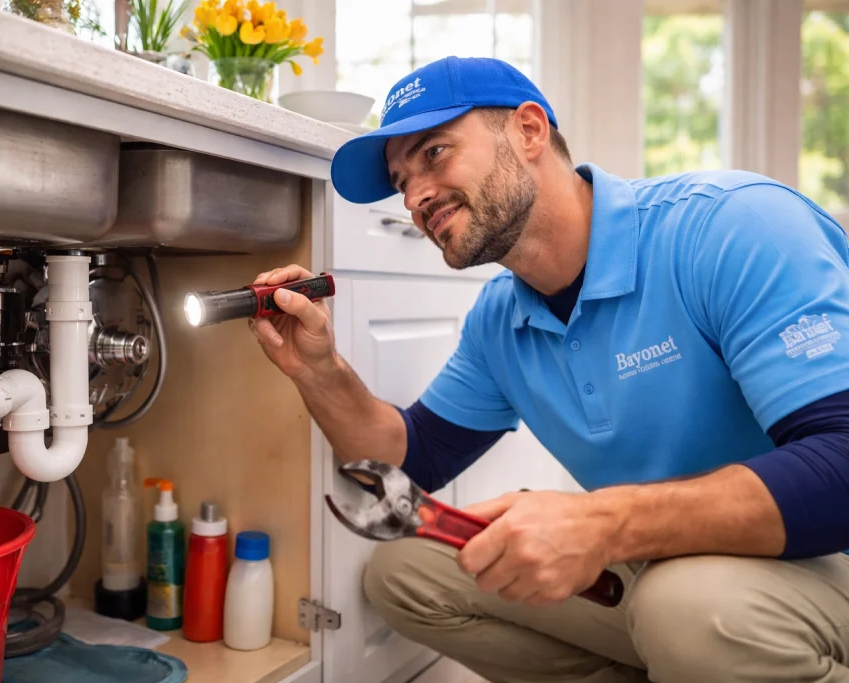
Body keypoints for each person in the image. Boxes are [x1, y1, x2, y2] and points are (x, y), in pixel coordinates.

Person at [248, 56, 849, 683]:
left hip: (817, 563)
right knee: (406, 574)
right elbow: (413, 458)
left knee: (685, 608)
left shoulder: (730, 227)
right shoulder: (501, 319)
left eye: (434, 154)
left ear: (530, 131)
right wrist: (317, 368)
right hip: (665, 569)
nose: (416, 196)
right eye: (401, 182)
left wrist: (602, 523)